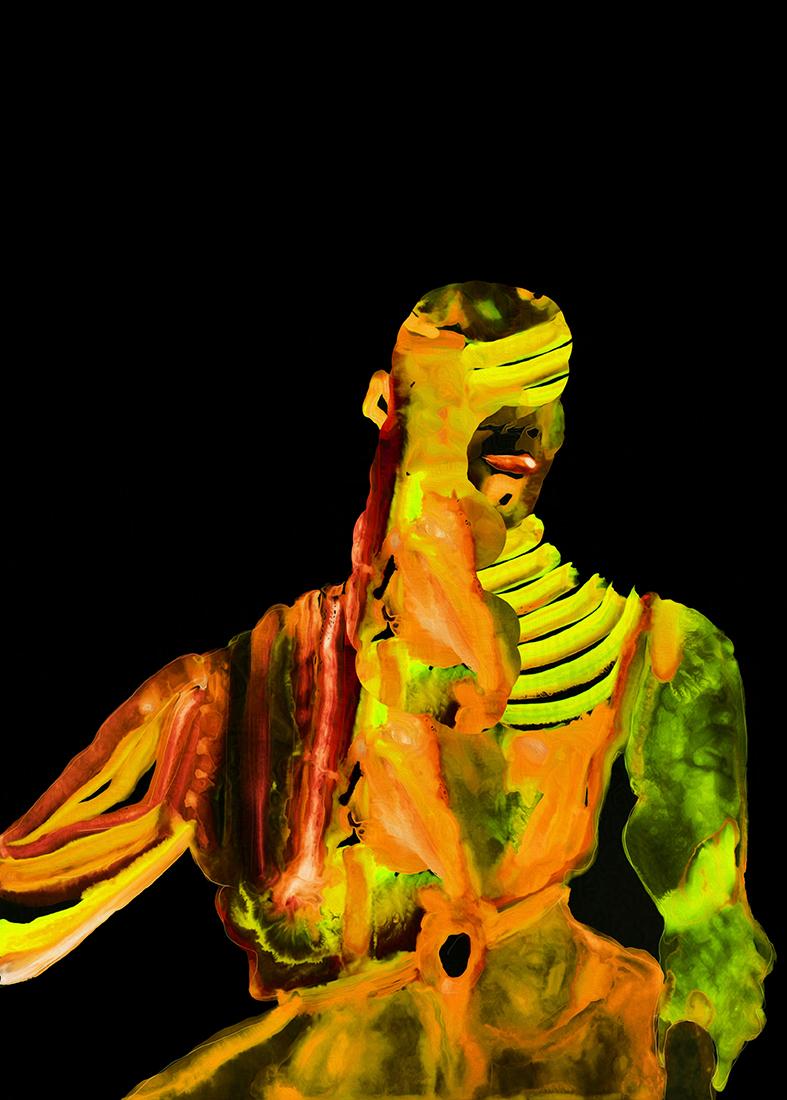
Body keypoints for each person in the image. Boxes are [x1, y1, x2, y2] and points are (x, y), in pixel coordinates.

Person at [1, 282, 773, 1098]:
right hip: (348, 1058)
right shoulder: (260, 681)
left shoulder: (658, 650)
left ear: (552, 431)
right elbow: (25, 901)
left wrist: (691, 1045)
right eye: (451, 419)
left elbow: (708, 926)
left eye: (516, 425)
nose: (494, 457)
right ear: (383, 408)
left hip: (561, 1048)